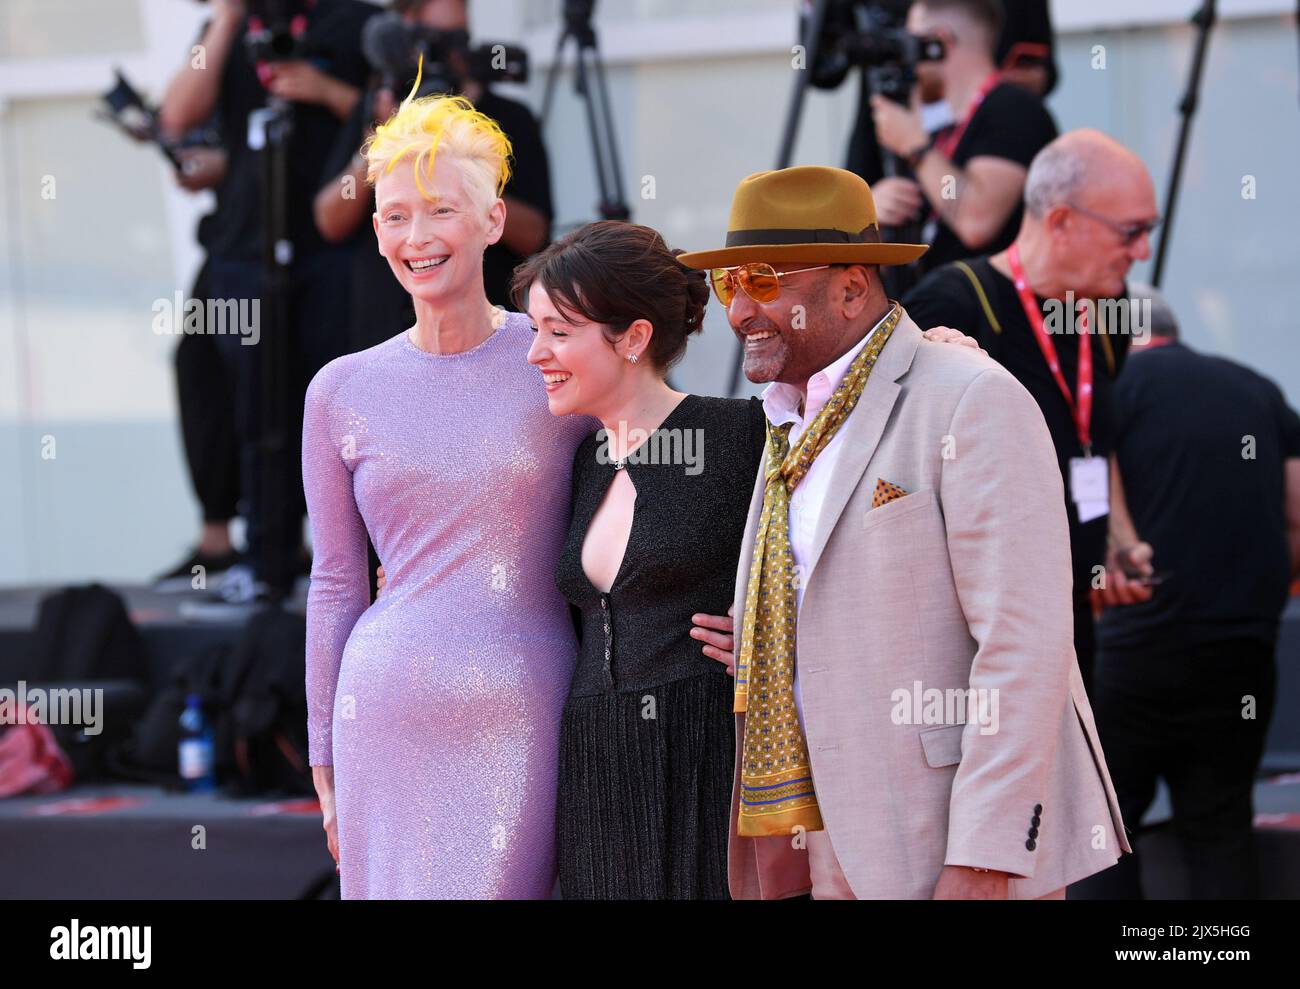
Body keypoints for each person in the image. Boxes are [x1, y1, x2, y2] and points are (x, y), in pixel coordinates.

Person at [302, 92, 731, 898]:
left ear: (494, 219)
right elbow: (334, 583)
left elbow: (670, 451)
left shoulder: (553, 362)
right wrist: (324, 753)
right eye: (394, 215)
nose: (417, 237)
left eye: (440, 210)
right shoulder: (338, 389)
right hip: (382, 711)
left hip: (527, 706)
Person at [678, 164, 1129, 899]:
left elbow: (1025, 646)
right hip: (821, 838)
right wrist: (775, 629)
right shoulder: (785, 420)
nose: (738, 311)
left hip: (946, 842)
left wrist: (984, 856)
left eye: (762, 280)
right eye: (728, 285)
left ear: (853, 287)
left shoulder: (969, 396)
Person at [903, 129, 1160, 690]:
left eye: (1148, 231)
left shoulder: (1107, 305)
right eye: (1131, 231)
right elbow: (903, 469)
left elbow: (1093, 439)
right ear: (1062, 221)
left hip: (1075, 609)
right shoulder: (952, 302)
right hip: (986, 629)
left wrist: (1116, 542)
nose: (1142, 252)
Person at [1083, 285, 1300, 899]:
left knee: (1106, 829)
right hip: (1241, 651)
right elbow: (1296, 511)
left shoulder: (1106, 398)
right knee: (1219, 827)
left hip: (1131, 654)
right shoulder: (1258, 389)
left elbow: (1089, 505)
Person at [159, 0, 380, 599]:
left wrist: (324, 90)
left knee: (331, 409)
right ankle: (263, 567)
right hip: (243, 248)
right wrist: (227, 18)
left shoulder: (357, 21)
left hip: (329, 247)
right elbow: (177, 115)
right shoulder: (229, 26)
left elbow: (390, 122)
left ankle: (342, 569)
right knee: (253, 407)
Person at [314, 0, 553, 352]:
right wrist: (384, 137)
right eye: (436, 41)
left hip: (487, 333)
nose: (419, 236)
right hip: (379, 326)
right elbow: (329, 219)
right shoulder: (379, 106)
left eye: (459, 38)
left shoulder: (510, 117)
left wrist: (469, 180)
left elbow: (534, 233)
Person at [868, 0, 1057, 275]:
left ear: (939, 43)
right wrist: (873, 213)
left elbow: (976, 223)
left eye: (911, 43)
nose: (905, 59)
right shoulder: (944, 123)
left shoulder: (1014, 109)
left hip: (989, 311)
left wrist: (915, 147)